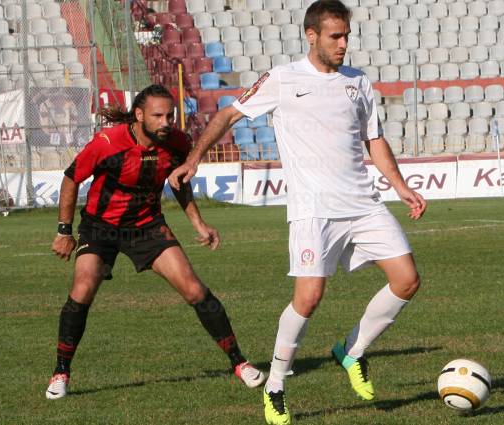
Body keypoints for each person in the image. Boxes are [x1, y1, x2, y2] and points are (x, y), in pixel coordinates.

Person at [168, 1, 427, 423]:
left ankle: (352, 350)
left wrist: (400, 188)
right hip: (313, 211)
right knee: (308, 299)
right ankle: (275, 386)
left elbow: (373, 139)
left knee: (407, 280)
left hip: (363, 204)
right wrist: (195, 158)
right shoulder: (282, 79)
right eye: (335, 37)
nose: (343, 44)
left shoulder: (357, 82)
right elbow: (231, 114)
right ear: (312, 35)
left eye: (346, 36)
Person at [46, 84, 265, 400]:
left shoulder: (177, 143)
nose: (166, 122)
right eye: (158, 116)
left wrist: (198, 223)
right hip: (101, 228)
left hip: (147, 226)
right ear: (139, 115)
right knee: (82, 290)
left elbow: (179, 182)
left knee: (194, 289)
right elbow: (71, 178)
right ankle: (60, 372)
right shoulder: (106, 143)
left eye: (170, 115)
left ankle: (240, 363)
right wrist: (64, 231)